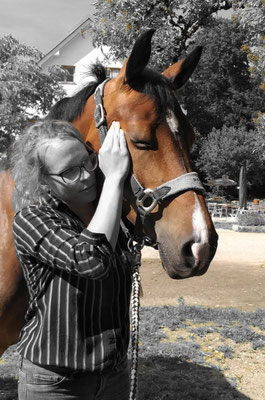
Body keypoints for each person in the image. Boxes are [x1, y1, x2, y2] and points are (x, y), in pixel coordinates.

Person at [11, 119, 132, 400]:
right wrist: (113, 178)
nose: (87, 176)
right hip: (55, 383)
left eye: (88, 161)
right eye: (69, 172)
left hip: (113, 375)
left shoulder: (113, 212)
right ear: (42, 180)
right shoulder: (32, 220)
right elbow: (92, 259)